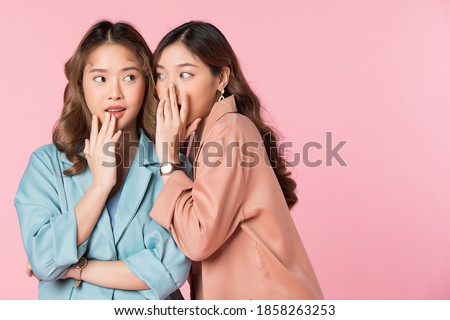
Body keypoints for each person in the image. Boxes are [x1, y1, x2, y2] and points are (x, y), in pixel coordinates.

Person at [14, 20, 190, 300]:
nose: (115, 93)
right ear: (81, 85)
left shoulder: (172, 165)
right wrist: (101, 186)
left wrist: (79, 268)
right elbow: (44, 260)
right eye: (100, 78)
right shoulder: (46, 164)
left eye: (129, 77)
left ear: (147, 83)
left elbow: (169, 269)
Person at [149, 21, 324, 300]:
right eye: (160, 76)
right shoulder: (204, 136)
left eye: (185, 74)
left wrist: (168, 162)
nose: (170, 89)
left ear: (221, 79)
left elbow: (198, 239)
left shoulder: (229, 129)